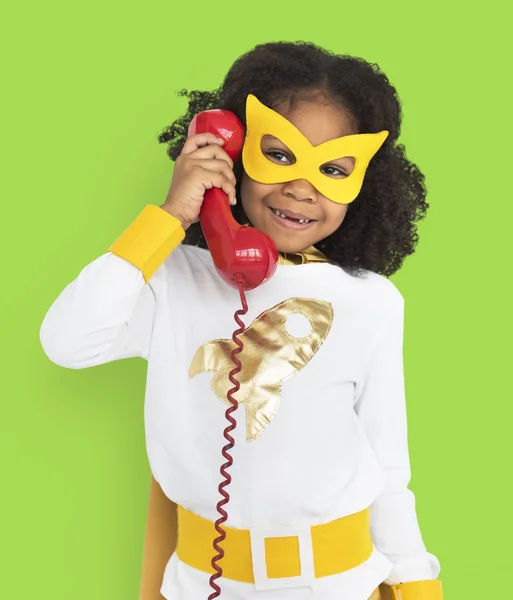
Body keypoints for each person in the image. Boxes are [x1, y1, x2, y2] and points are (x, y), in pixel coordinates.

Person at [40, 41, 443, 600]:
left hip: (338, 583)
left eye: (332, 170)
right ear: (229, 151)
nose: (302, 188)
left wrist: (419, 585)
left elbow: (388, 469)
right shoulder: (169, 277)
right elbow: (68, 342)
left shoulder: (371, 301)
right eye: (279, 155)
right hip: (204, 583)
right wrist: (171, 217)